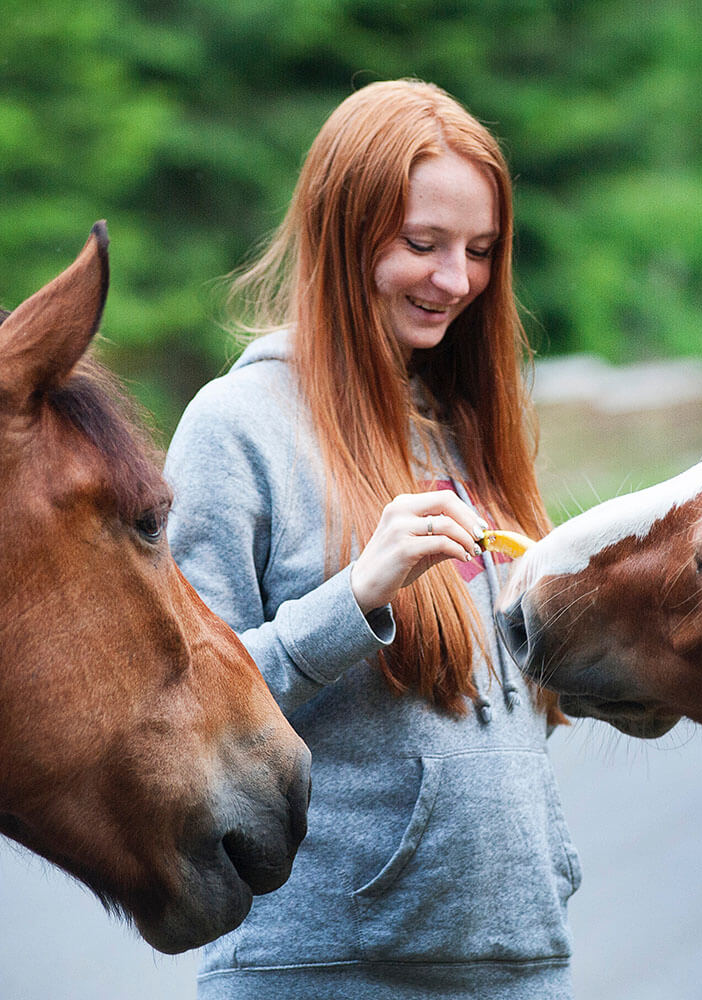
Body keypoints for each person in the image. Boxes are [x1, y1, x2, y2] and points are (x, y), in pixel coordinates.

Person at [165, 78, 581, 1000]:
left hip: (517, 958)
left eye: (479, 251)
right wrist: (355, 598)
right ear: (341, 231)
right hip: (324, 967)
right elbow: (181, 715)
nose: (455, 281)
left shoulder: (469, 432)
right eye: (422, 244)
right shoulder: (237, 426)